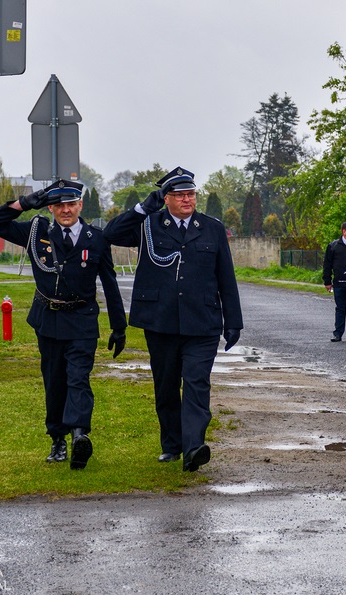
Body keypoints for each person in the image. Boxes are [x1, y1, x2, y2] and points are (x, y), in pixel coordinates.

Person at [103, 167, 243, 472]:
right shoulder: (148, 225)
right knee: (166, 386)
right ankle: (172, 444)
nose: (187, 199)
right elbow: (110, 234)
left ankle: (194, 447)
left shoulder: (212, 228)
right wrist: (142, 208)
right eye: (179, 195)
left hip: (202, 321)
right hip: (161, 320)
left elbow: (226, 277)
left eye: (191, 194)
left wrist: (233, 321)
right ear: (165, 198)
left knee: (196, 383)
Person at [0, 180, 126, 470]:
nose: (66, 210)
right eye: (59, 205)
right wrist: (25, 203)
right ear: (50, 208)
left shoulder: (96, 238)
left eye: (71, 204)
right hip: (48, 319)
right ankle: (58, 439)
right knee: (55, 381)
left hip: (82, 319)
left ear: (80, 205)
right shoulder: (36, 232)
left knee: (78, 378)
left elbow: (110, 283)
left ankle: (79, 435)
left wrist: (118, 327)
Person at [323, 221, 346, 342]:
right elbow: (327, 265)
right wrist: (327, 281)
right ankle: (338, 333)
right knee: (340, 309)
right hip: (339, 283)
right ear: (344, 231)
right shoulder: (333, 246)